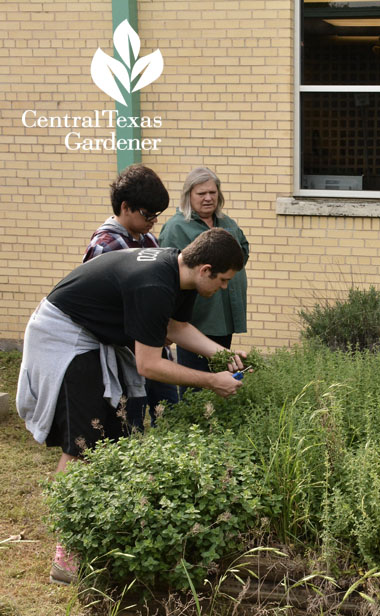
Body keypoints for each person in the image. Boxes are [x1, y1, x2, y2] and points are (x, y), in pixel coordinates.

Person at [16, 227, 247, 585]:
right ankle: (66, 555)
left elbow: (175, 327)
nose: (224, 287)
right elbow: (149, 365)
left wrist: (223, 355)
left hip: (94, 336)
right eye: (224, 279)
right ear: (205, 270)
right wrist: (210, 381)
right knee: (85, 441)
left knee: (113, 433)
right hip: (64, 335)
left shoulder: (179, 274)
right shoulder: (154, 284)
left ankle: (94, 533)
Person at [83, 164, 178, 428]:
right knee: (129, 428)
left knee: (172, 420)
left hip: (159, 354)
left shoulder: (149, 240)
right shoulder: (104, 247)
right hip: (124, 360)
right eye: (148, 214)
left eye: (157, 215)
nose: (153, 222)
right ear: (125, 207)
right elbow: (102, 310)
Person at [159, 167, 249, 397]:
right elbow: (168, 271)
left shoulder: (227, 222)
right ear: (189, 195)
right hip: (197, 317)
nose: (208, 198)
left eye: (212, 192)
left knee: (221, 369)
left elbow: (243, 252)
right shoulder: (176, 227)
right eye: (201, 193)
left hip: (224, 315)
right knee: (194, 383)